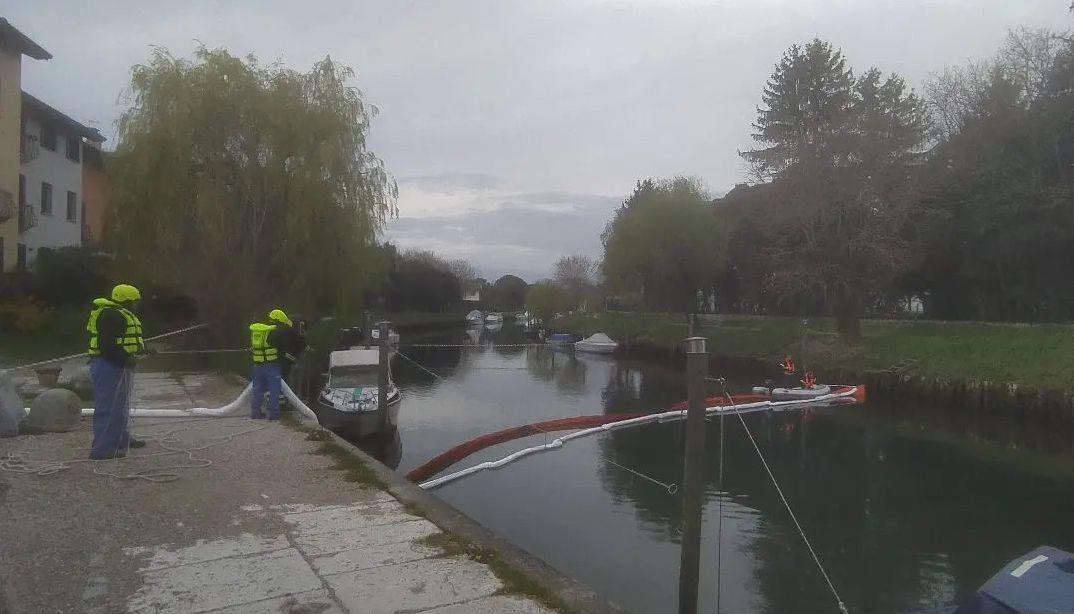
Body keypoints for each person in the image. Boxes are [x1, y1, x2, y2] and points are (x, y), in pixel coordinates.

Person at [86, 283, 147, 459]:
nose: (136, 305)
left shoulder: (119, 314)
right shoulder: (110, 316)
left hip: (117, 365)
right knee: (108, 407)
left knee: (121, 405)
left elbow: (122, 341)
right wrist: (125, 358)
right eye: (134, 302)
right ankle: (102, 449)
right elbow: (107, 346)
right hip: (107, 365)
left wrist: (142, 351)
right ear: (125, 301)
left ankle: (121, 439)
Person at [249, 309, 292, 420]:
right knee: (274, 389)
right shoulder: (275, 332)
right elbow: (281, 349)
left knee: (257, 388)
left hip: (257, 364)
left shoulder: (259, 330)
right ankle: (273, 413)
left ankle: (255, 412)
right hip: (271, 364)